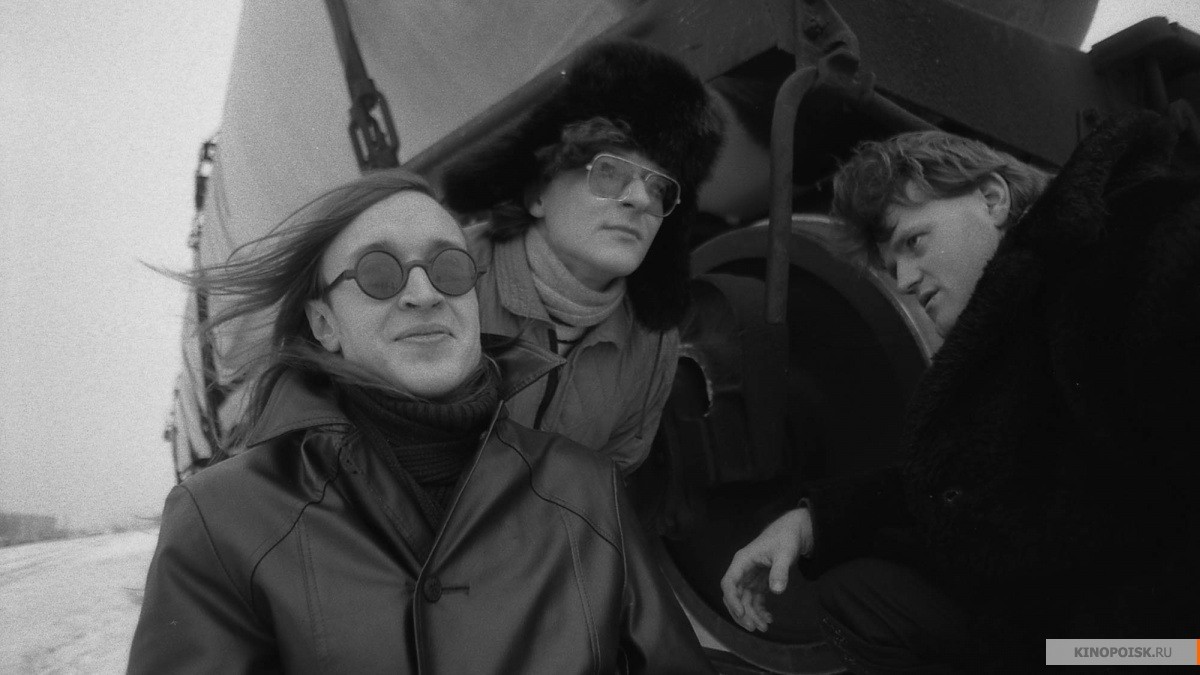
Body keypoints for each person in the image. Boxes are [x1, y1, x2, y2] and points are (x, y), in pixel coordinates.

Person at [127, 169, 715, 674]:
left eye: (449, 268)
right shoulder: (223, 519)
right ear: (324, 323)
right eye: (379, 273)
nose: (422, 293)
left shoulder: (586, 491)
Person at [720, 112, 1200, 672]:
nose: (904, 280)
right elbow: (971, 482)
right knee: (863, 598)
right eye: (892, 265)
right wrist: (811, 523)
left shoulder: (1137, 244)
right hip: (1079, 626)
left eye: (914, 241)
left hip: (1162, 645)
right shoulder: (1019, 317)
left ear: (992, 199)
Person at [441, 39, 723, 474]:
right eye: (609, 171)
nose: (640, 200)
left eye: (659, 187)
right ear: (538, 193)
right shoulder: (448, 278)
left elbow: (609, 477)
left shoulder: (652, 343)